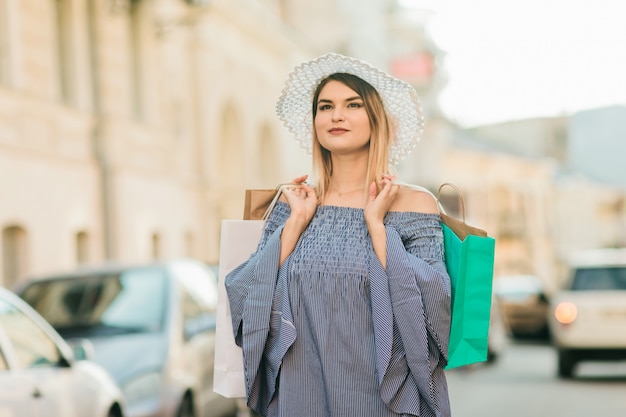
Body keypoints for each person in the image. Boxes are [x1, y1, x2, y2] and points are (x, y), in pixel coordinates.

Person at [225, 52, 451, 417]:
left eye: (353, 104)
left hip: (379, 397)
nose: (336, 115)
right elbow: (245, 294)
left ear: (377, 119)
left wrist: (378, 229)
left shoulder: (414, 203)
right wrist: (295, 224)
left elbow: (436, 303)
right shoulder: (292, 204)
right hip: (301, 394)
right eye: (325, 106)